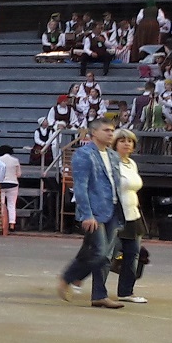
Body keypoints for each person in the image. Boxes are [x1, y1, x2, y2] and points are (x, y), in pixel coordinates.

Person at [59, 114, 123, 308]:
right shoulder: (83, 154)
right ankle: (68, 278)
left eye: (112, 130)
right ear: (94, 132)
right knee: (100, 253)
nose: (111, 133)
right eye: (107, 130)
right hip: (94, 211)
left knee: (103, 255)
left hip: (113, 209)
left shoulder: (113, 155)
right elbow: (80, 186)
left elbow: (115, 184)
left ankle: (99, 295)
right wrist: (87, 213)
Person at [110, 128, 146, 303]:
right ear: (115, 144)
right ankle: (77, 277)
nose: (127, 144)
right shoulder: (111, 162)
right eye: (122, 140)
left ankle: (126, 292)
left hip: (133, 213)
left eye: (130, 141)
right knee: (107, 253)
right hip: (116, 214)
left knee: (133, 254)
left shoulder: (131, 164)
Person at [0, 144, 23, 232]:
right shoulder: (15, 160)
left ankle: (2, 223)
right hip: (13, 183)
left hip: (1, 183)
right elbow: (19, 174)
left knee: (1, 204)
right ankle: (12, 224)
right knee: (12, 204)